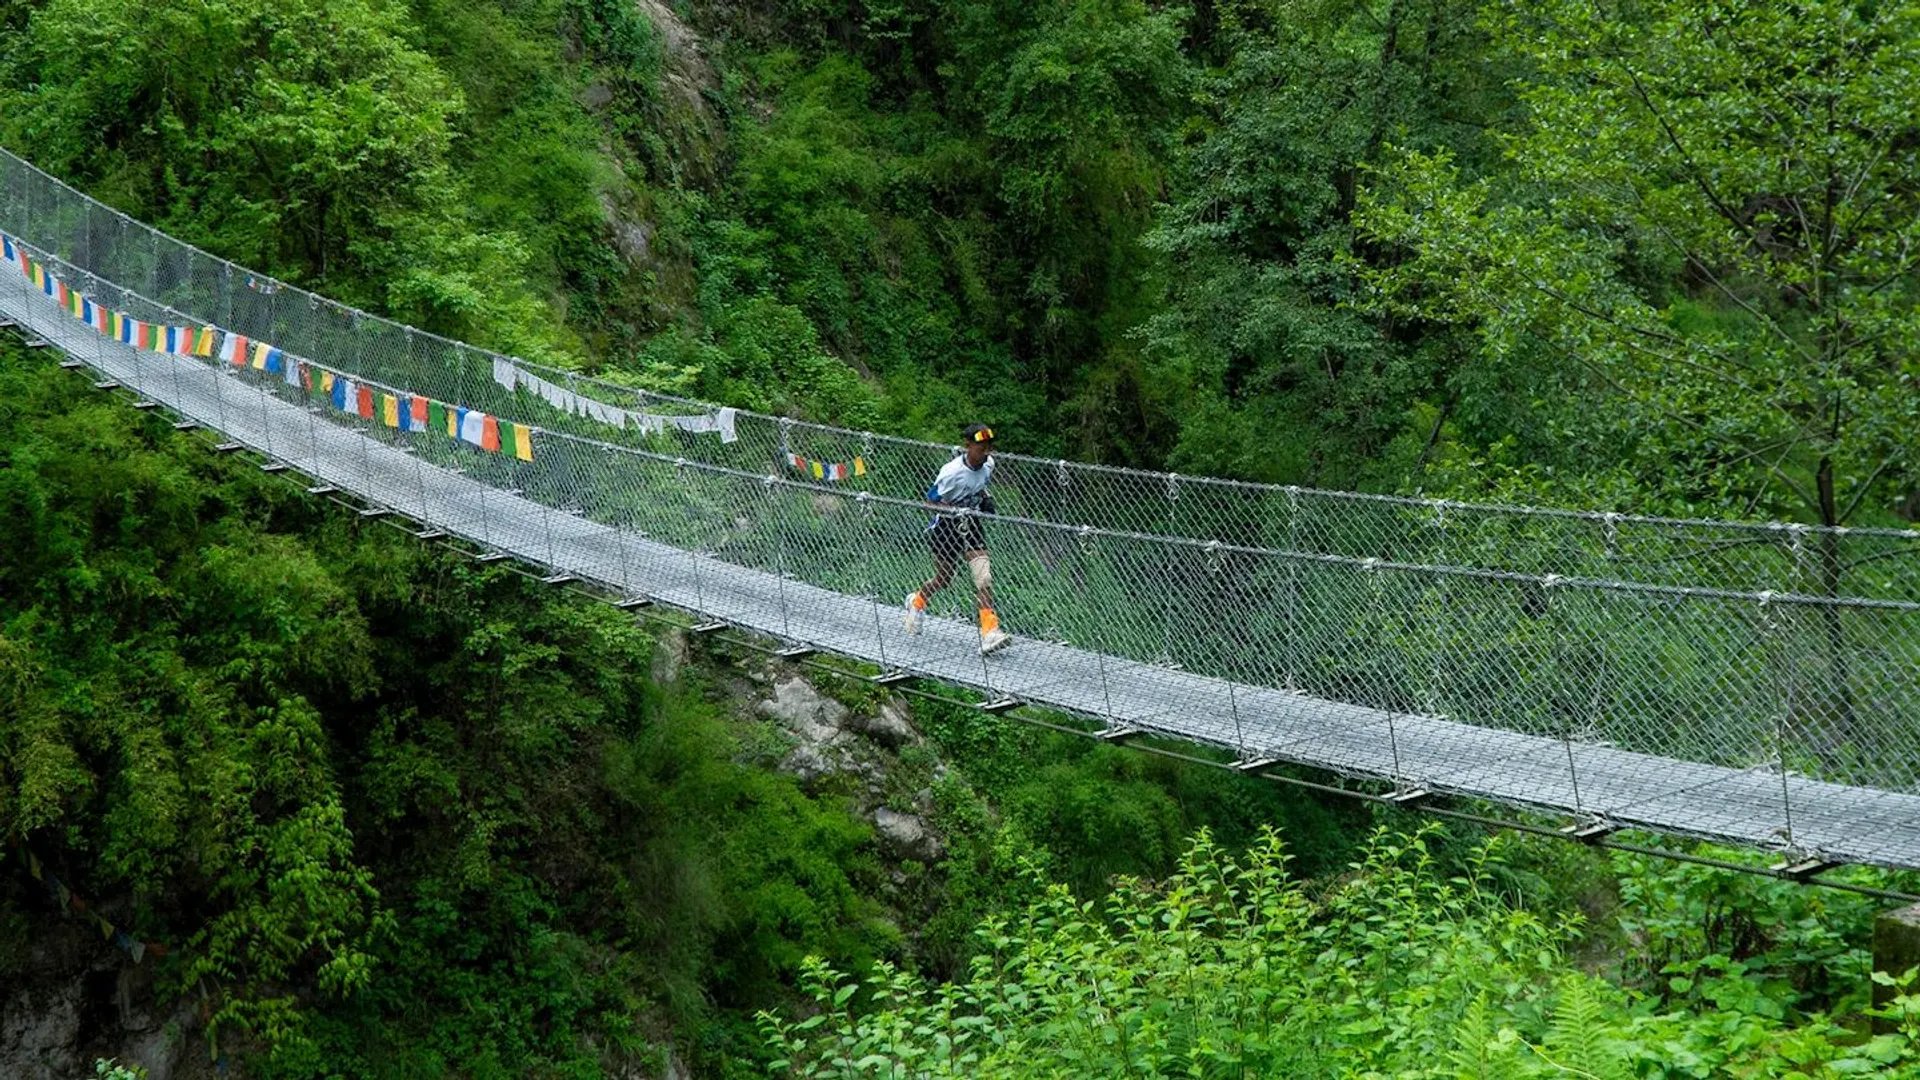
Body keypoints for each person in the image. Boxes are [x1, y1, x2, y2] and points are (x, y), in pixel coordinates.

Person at [903, 424, 1011, 654]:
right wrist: (951, 510)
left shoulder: (989, 465)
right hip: (945, 525)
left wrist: (985, 498)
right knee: (944, 578)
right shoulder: (951, 472)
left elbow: (979, 487)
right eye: (981, 447)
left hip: (970, 523)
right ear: (968, 446)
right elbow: (929, 502)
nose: (986, 452)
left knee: (984, 577)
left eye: (989, 447)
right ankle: (918, 601)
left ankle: (990, 631)